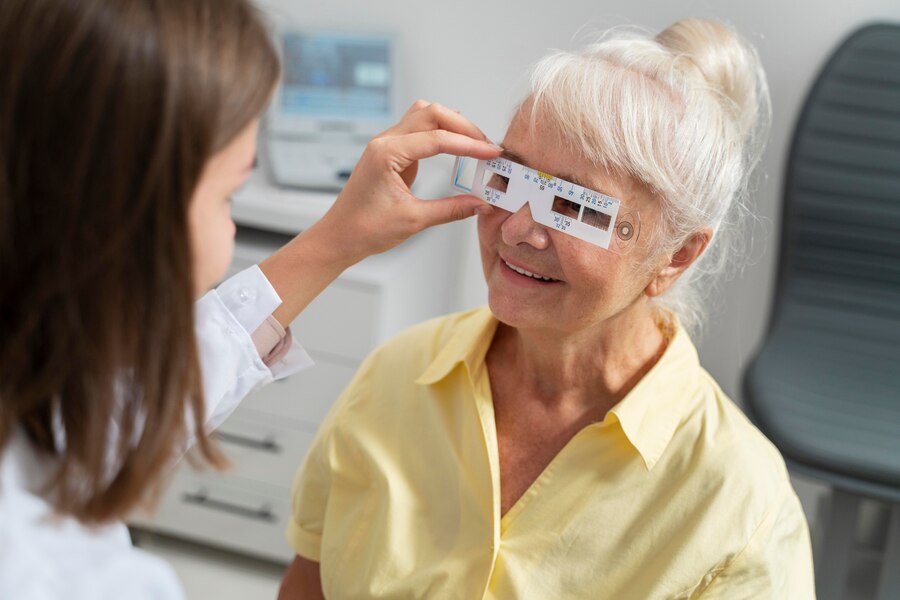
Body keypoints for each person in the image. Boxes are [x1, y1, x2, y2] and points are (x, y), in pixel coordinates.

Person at [280, 18, 816, 599]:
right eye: (507, 176)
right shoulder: (396, 376)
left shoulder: (741, 510)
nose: (515, 228)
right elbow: (307, 584)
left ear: (677, 255)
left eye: (572, 206)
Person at [0, 0, 500, 598]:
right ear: (122, 218)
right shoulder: (66, 578)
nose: (232, 229)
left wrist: (337, 239)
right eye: (229, 195)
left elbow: (108, 416)